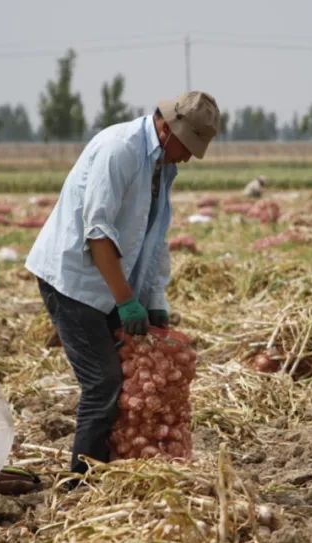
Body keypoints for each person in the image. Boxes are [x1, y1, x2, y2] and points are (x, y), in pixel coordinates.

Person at [25, 91, 220, 478]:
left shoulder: (162, 166)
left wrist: (153, 300)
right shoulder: (120, 151)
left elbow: (152, 240)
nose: (187, 157)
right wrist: (127, 303)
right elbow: (98, 233)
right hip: (74, 279)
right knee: (104, 382)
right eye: (187, 147)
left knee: (129, 375)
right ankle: (80, 484)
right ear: (167, 128)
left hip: (113, 280)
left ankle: (122, 468)